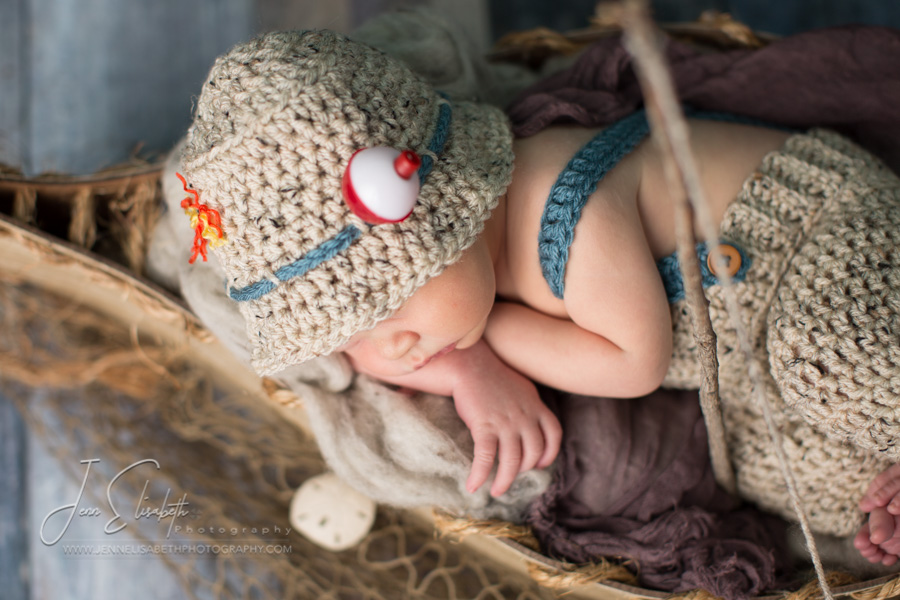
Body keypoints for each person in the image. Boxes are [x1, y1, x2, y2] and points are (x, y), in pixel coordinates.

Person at [180, 29, 900, 565]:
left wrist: (488, 340)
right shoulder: (449, 292)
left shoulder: (567, 205)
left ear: (448, 215)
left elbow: (632, 362)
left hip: (823, 243)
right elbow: (378, 356)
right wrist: (465, 369)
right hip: (745, 354)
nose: (384, 350)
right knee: (810, 489)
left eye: (382, 308)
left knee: (830, 357)